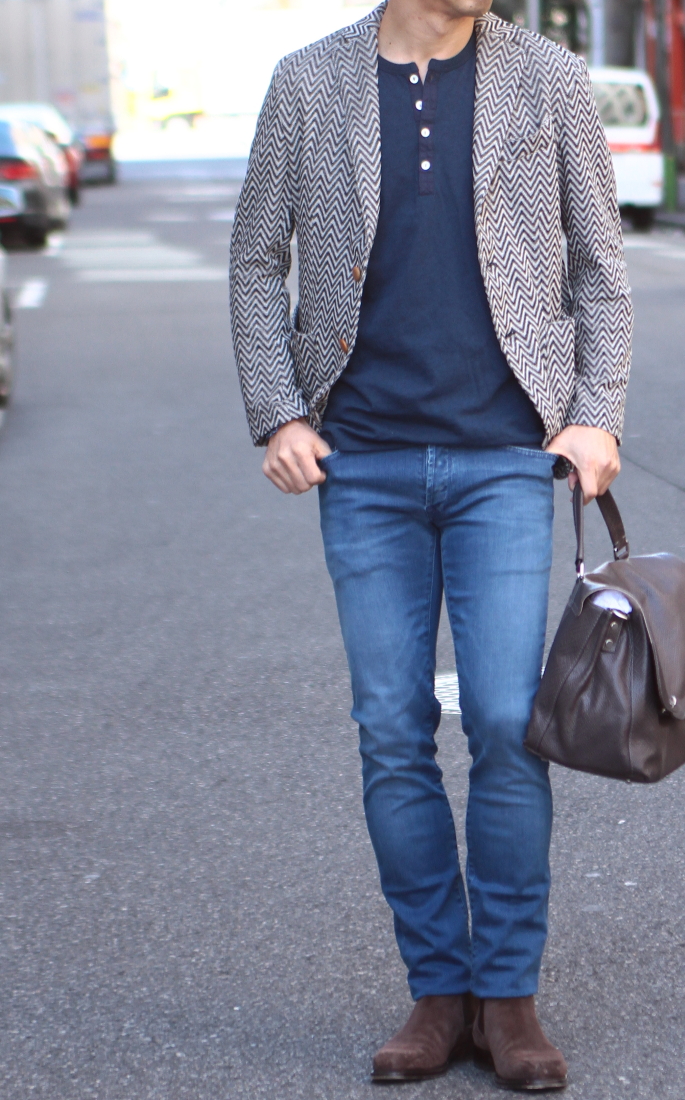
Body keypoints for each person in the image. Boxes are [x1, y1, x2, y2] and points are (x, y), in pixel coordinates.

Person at [230, 0, 632, 1089]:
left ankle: (508, 996)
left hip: (504, 453)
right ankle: (438, 990)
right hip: (361, 461)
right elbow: (256, 259)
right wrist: (279, 412)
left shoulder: (547, 77)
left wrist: (595, 413)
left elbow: (599, 265)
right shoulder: (307, 82)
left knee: (505, 720)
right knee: (392, 731)